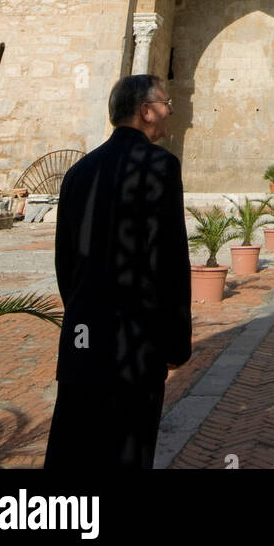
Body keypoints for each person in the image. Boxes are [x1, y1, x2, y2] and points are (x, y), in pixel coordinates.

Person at [44, 74, 192, 470]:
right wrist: (176, 343)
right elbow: (170, 260)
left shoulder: (79, 171)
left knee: (75, 446)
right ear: (145, 111)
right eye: (165, 103)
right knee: (127, 448)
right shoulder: (160, 165)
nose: (170, 112)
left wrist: (81, 311)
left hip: (81, 336)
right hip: (134, 341)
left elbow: (65, 261)